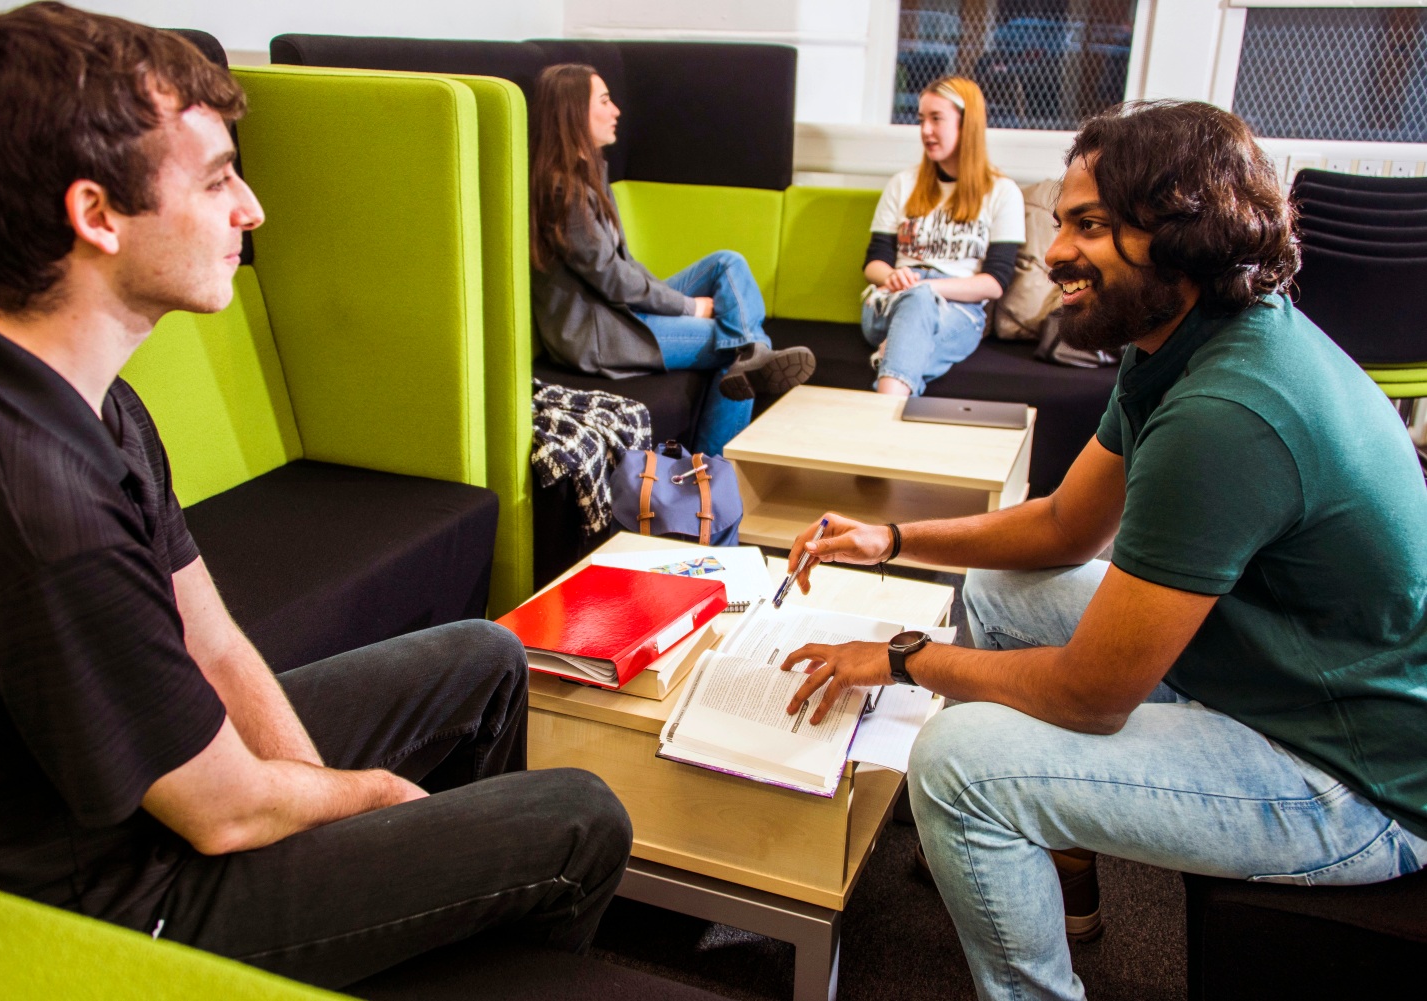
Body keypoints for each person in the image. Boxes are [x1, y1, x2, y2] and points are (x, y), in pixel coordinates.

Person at [0, 3, 631, 990]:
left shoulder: (80, 388)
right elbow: (221, 811)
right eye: (217, 179)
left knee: (484, 655)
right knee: (578, 819)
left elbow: (209, 636)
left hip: (167, 807)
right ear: (96, 215)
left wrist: (324, 817)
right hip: (115, 909)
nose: (251, 208)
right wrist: (367, 805)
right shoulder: (37, 501)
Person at [779, 101, 1427, 1000]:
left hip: (1351, 776)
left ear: (1185, 232)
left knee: (955, 761)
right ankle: (1064, 866)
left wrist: (901, 657)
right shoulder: (1177, 340)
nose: (1051, 256)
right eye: (1060, 223)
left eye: (1090, 226)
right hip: (1281, 670)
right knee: (1003, 590)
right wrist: (892, 537)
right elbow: (1060, 527)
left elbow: (1092, 693)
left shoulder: (1228, 413)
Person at [527, 62, 815, 455]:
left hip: (617, 312)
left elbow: (623, 264)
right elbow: (613, 279)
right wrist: (686, 306)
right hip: (600, 334)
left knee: (726, 263)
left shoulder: (587, 174)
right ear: (573, 110)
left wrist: (670, 300)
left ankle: (753, 352)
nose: (617, 112)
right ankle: (708, 475)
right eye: (606, 101)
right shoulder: (564, 191)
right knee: (736, 346)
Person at [861, 77, 1024, 396]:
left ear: (968, 124)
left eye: (936, 119)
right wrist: (895, 277)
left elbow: (995, 281)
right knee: (916, 305)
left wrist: (926, 288)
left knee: (913, 329)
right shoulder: (902, 184)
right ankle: (888, 379)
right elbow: (873, 262)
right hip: (890, 302)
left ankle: (888, 369)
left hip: (959, 309)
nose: (925, 130)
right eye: (921, 119)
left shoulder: (1003, 193)